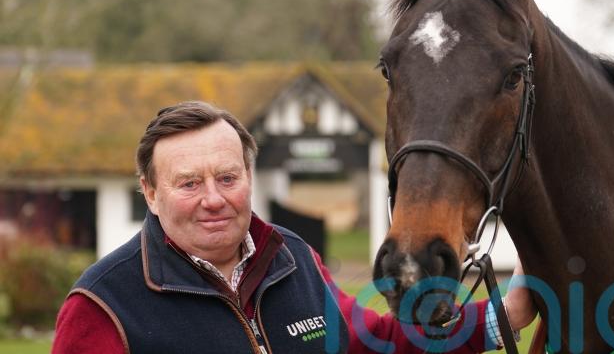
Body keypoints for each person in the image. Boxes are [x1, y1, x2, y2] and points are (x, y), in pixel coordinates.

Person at [53, 101, 535, 353]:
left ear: (249, 176)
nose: (213, 199)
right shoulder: (103, 305)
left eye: (227, 178)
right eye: (189, 183)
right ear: (150, 192)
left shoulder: (292, 258)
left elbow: (380, 344)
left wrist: (503, 315)